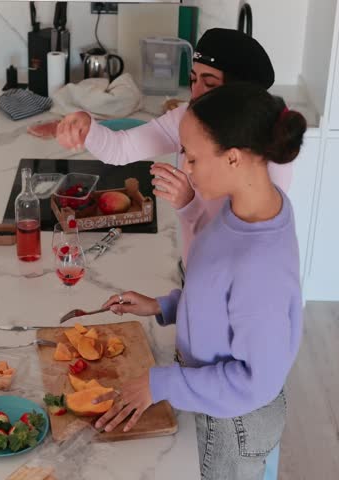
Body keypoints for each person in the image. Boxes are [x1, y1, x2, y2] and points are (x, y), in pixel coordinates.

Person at [92, 83, 307, 480]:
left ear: (233, 159)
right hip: (212, 399)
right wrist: (165, 306)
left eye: (191, 157)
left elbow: (255, 381)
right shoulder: (241, 207)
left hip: (234, 424)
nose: (184, 169)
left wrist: (160, 384)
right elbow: (220, 294)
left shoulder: (262, 265)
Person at [56, 29, 290, 263]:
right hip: (192, 272)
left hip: (223, 289)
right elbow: (121, 148)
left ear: (240, 92)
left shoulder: (271, 152)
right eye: (193, 80)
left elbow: (240, 254)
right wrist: (86, 125)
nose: (195, 93)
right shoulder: (190, 117)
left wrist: (189, 204)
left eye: (209, 83)